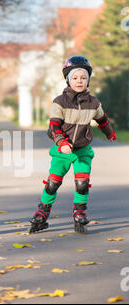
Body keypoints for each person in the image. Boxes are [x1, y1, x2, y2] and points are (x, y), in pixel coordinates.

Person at [29, 56, 117, 234]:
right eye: (75, 78)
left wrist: (110, 133)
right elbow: (53, 126)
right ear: (68, 80)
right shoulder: (59, 102)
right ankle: (42, 212)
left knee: (82, 182)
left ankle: (79, 212)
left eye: (83, 78)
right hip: (62, 150)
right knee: (53, 183)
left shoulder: (93, 103)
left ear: (88, 80)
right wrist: (61, 143)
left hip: (82, 150)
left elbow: (102, 119)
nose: (79, 81)